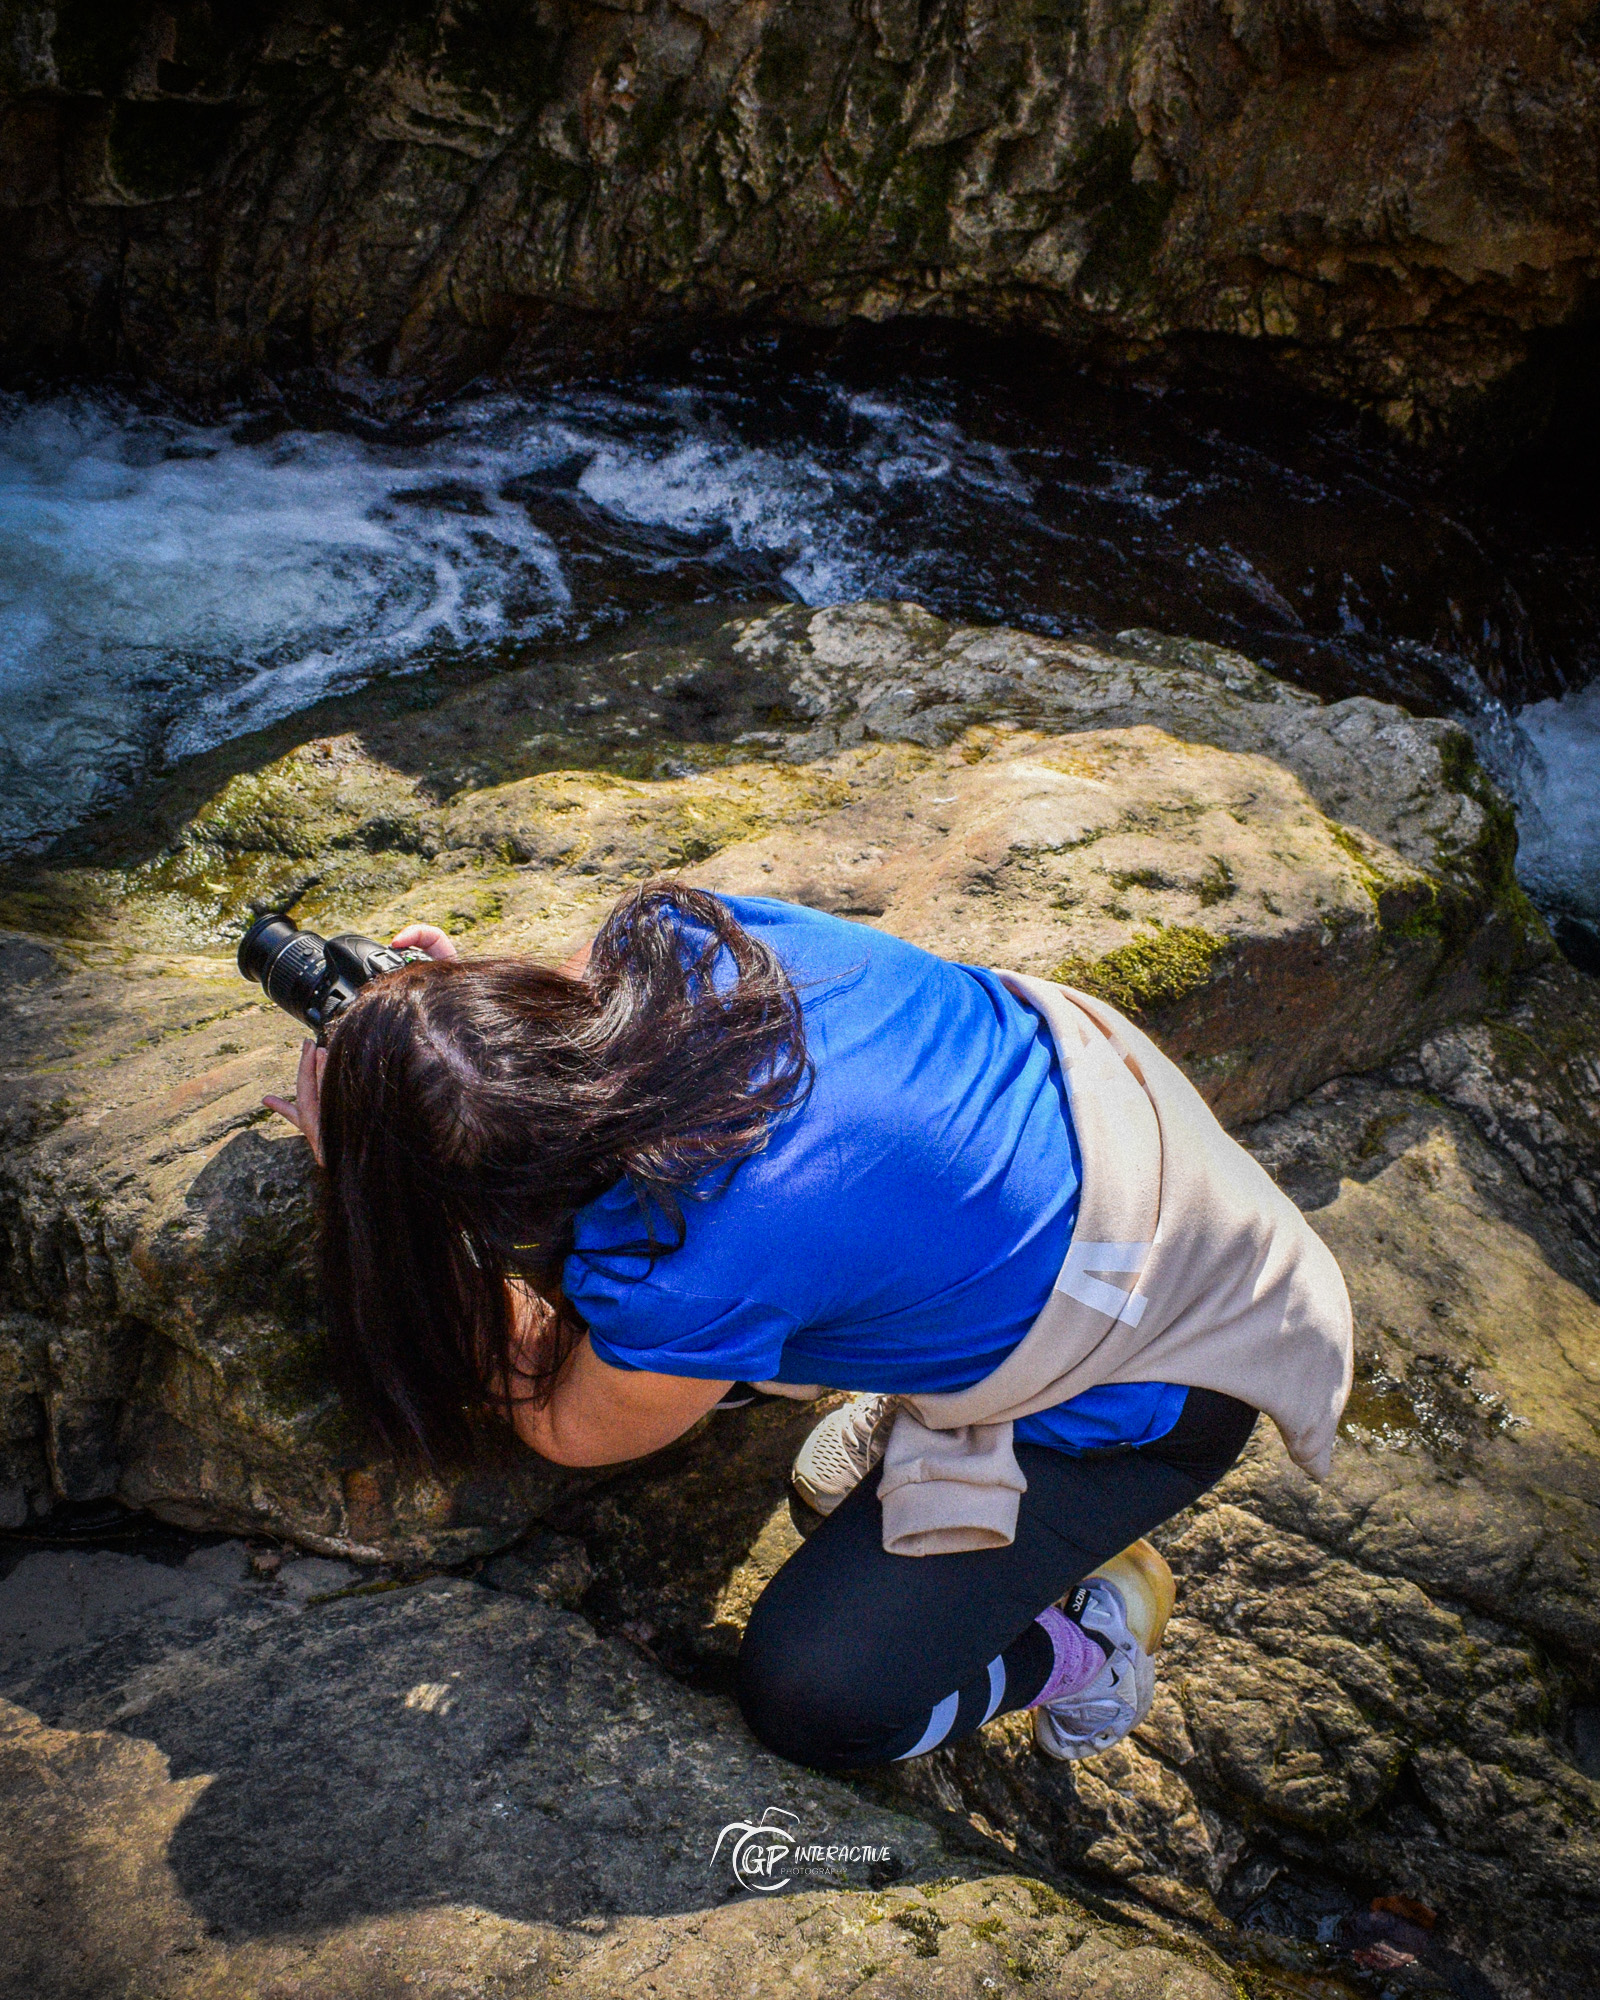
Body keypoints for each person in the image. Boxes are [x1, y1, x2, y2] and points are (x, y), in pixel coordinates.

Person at [264, 883, 1351, 1772]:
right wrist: (454, 1039)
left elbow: (561, 1415)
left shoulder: (687, 1268)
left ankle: (1085, 1639)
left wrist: (386, 1198)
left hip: (1155, 1382)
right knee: (742, 1312)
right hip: (1134, 1150)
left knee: (820, 1701)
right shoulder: (679, 941)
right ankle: (932, 1373)